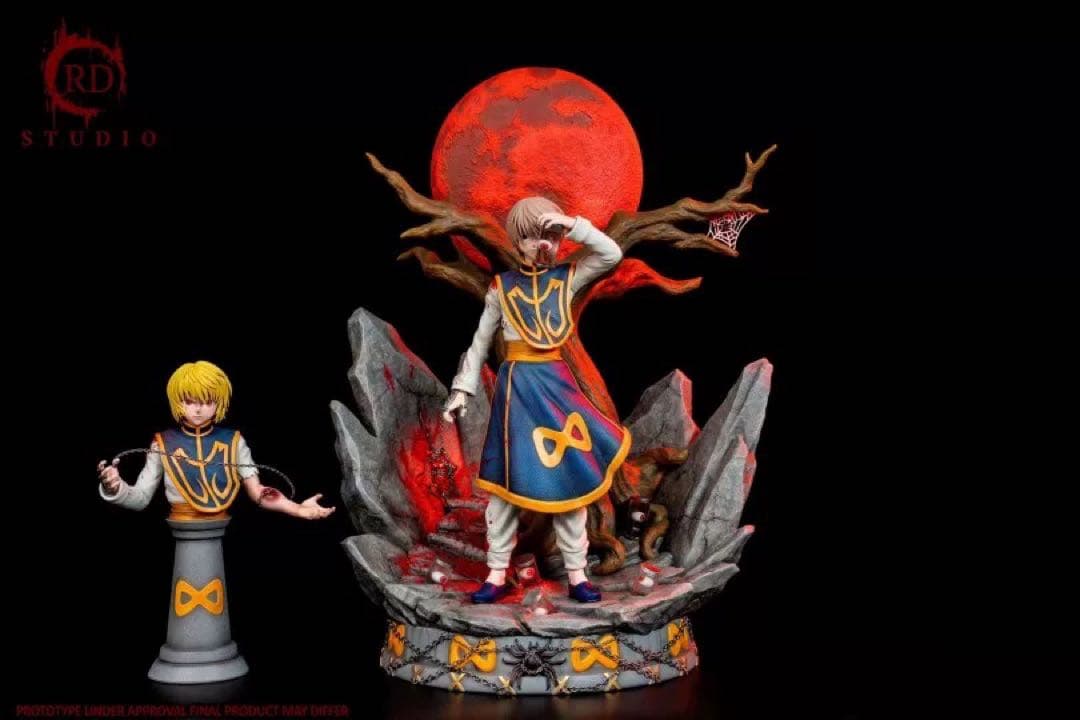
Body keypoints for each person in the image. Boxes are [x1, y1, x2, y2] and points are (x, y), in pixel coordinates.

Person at [442, 197, 631, 603]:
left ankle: (577, 574)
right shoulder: (502, 287)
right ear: (517, 242)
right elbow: (479, 342)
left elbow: (611, 253)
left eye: (550, 238)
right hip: (518, 393)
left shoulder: (567, 278)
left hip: (558, 387)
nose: (543, 245)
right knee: (505, 487)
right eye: (531, 238)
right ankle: (496, 573)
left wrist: (571, 224)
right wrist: (462, 388)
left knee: (570, 482)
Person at [98, 360, 335, 520]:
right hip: (181, 525)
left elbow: (258, 493)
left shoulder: (234, 442)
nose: (198, 409)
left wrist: (297, 509)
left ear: (218, 402)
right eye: (189, 401)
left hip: (218, 527)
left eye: (207, 401)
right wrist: (115, 487)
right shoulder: (162, 443)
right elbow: (140, 499)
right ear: (178, 401)